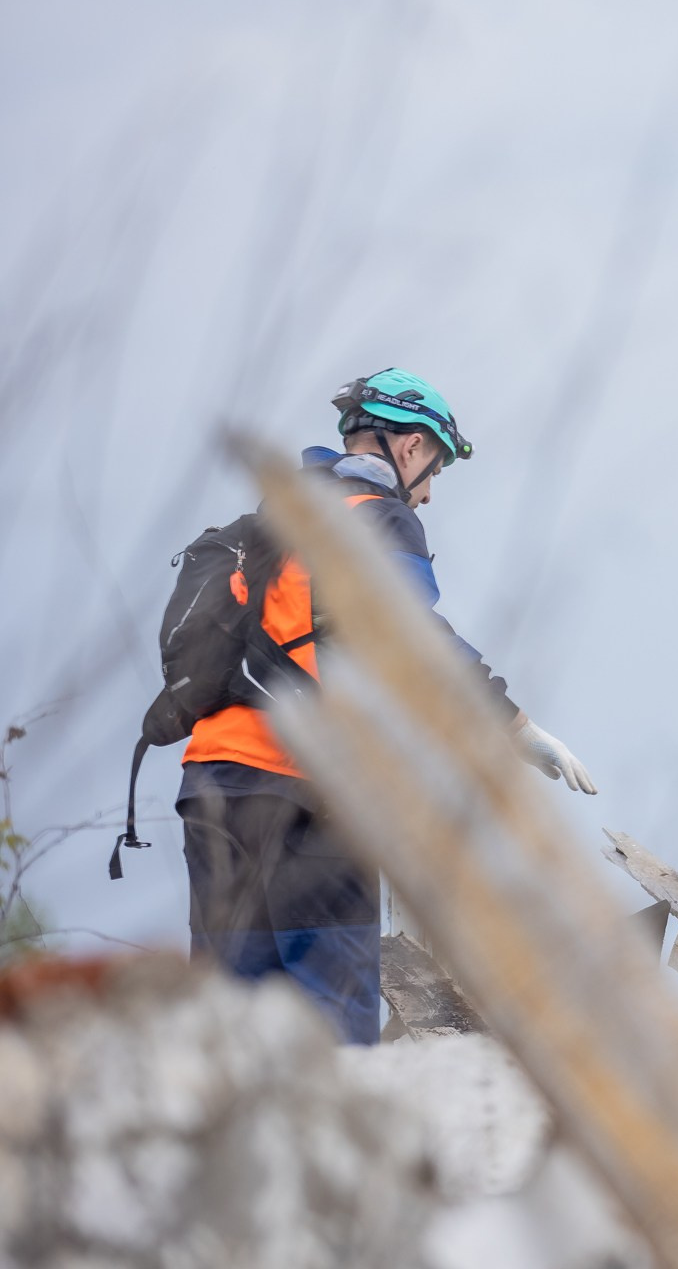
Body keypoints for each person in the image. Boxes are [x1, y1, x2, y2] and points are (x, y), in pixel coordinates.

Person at [177, 369, 595, 1043]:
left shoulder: (269, 524)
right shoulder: (377, 515)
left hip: (213, 787)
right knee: (335, 1027)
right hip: (310, 797)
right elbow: (413, 644)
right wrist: (517, 729)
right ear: (409, 445)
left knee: (229, 1032)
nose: (427, 493)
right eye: (434, 469)